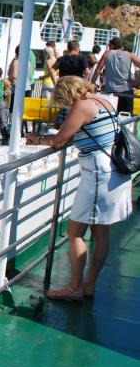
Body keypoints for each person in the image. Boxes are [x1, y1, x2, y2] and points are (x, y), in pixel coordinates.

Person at [26, 76, 133, 301]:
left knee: (74, 233)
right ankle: (89, 285)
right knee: (101, 233)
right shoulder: (102, 101)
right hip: (114, 171)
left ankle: (74, 288)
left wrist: (37, 139)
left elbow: (60, 140)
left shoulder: (81, 106)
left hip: (98, 176)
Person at [91, 36, 140, 114]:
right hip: (126, 91)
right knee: (126, 117)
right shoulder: (129, 55)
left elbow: (97, 71)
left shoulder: (107, 54)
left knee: (109, 116)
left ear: (112, 45)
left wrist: (92, 83)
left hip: (111, 92)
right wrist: (137, 82)